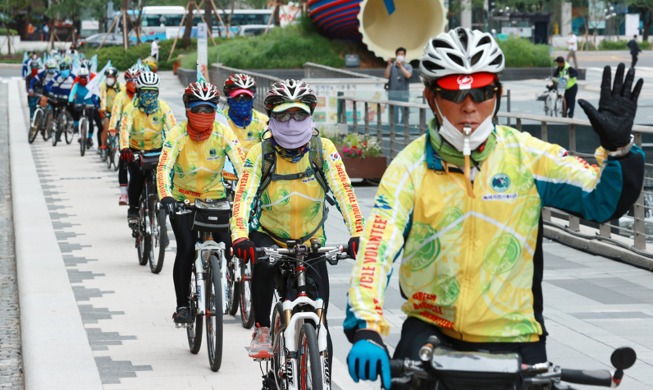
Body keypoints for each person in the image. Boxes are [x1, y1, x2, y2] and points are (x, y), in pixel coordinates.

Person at [344, 27, 645, 389]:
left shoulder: (527, 156)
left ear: (498, 95)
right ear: (430, 97)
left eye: (482, 92)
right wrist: (366, 326)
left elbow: (601, 202)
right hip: (430, 333)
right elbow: (377, 247)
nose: (469, 105)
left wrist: (620, 150)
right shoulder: (409, 168)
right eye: (455, 92)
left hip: (516, 338)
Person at [230, 79, 365, 360]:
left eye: (299, 114)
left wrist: (358, 232)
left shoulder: (323, 149)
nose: (292, 122)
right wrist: (240, 236)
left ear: (310, 115)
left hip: (311, 238)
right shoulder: (260, 154)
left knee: (321, 313)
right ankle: (262, 328)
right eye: (283, 115)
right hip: (270, 234)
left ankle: (320, 364)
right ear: (271, 118)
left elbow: (345, 193)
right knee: (263, 265)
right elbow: (242, 198)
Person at [156, 81, 246, 324]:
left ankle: (224, 282)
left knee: (229, 245)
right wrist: (166, 196)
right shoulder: (177, 134)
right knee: (185, 249)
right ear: (187, 109)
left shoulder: (223, 132)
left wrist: (245, 195)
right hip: (183, 201)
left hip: (215, 201)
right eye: (198, 109)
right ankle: (183, 305)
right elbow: (164, 167)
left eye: (209, 109)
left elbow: (242, 165)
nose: (204, 115)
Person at [119, 71, 176, 223]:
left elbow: (174, 130)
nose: (149, 95)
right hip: (135, 151)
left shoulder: (163, 108)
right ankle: (133, 208)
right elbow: (124, 129)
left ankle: (160, 219)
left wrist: (177, 149)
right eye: (145, 92)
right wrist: (125, 148)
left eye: (152, 92)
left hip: (157, 150)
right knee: (136, 177)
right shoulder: (131, 109)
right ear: (138, 91)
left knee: (162, 179)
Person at [110, 65, 142, 206]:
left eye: (135, 80)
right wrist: (112, 127)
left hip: (142, 135)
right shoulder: (121, 96)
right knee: (124, 161)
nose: (133, 83)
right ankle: (124, 193)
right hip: (125, 133)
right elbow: (115, 113)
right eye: (130, 80)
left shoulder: (144, 96)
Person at [222, 73, 269, 154]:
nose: (242, 102)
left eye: (247, 97)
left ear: (253, 98)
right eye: (237, 98)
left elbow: (268, 148)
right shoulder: (220, 120)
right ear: (228, 98)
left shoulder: (263, 121)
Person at [68, 66, 100, 147]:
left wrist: (95, 104)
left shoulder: (91, 85)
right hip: (79, 103)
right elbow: (72, 93)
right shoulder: (76, 85)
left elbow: (95, 94)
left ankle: (89, 138)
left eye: (84, 77)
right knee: (75, 111)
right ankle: (75, 125)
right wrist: (70, 101)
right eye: (81, 77)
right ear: (78, 78)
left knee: (91, 122)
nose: (82, 79)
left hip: (90, 104)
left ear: (87, 77)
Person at [99, 67, 124, 160]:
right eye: (108, 77)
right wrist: (102, 110)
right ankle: (103, 147)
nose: (109, 79)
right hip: (108, 111)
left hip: (118, 112)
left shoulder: (121, 86)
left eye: (111, 77)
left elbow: (125, 98)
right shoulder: (103, 86)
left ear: (116, 78)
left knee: (123, 129)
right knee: (106, 127)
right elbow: (103, 98)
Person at [384, 47, 413, 125]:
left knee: (405, 115)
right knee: (393, 116)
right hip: (392, 96)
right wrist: (389, 64)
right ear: (396, 56)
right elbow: (386, 75)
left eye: (402, 54)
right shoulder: (392, 66)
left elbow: (408, 75)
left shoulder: (408, 66)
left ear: (405, 56)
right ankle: (394, 132)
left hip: (404, 96)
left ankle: (403, 131)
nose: (400, 56)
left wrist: (400, 66)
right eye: (398, 54)